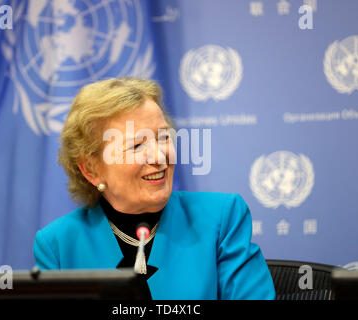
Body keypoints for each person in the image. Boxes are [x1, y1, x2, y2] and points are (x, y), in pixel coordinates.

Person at [33, 77, 275, 300]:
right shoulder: (57, 245)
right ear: (91, 169)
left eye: (163, 137)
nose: (159, 156)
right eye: (137, 145)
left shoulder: (222, 217)